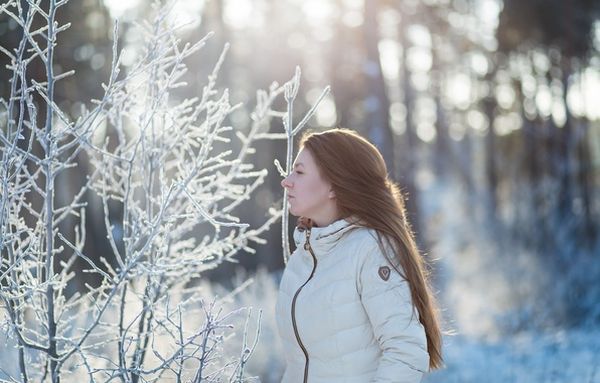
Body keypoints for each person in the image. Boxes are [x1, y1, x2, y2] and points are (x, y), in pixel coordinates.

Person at [275, 128, 443, 383]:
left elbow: (406, 352)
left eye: (299, 172)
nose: (286, 181)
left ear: (334, 185)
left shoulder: (370, 249)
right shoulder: (304, 258)